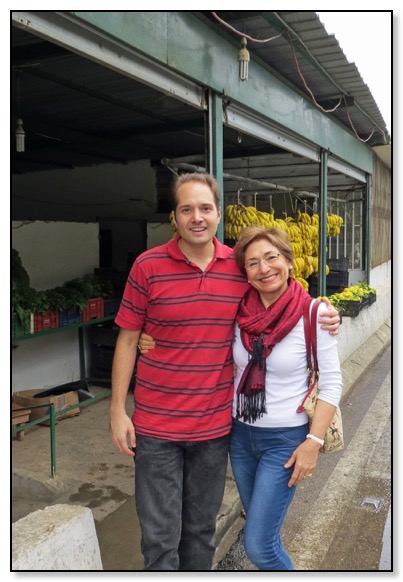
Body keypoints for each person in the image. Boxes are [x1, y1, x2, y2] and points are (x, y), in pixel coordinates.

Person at [110, 172, 340, 571]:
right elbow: (129, 340)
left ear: (218, 213)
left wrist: (327, 312)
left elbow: (282, 291)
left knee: (202, 532)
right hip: (158, 426)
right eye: (187, 209)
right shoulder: (148, 266)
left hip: (216, 430)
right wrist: (117, 411)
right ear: (174, 217)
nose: (196, 217)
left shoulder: (237, 269)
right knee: (159, 539)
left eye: (205, 208)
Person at [228, 225, 343, 570]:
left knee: (259, 545)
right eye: (252, 263)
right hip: (240, 438)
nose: (264, 268)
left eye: (271, 257)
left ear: (289, 261)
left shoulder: (315, 313)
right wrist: (148, 339)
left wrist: (313, 442)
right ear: (245, 274)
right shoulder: (239, 316)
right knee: (266, 534)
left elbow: (333, 382)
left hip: (285, 441)